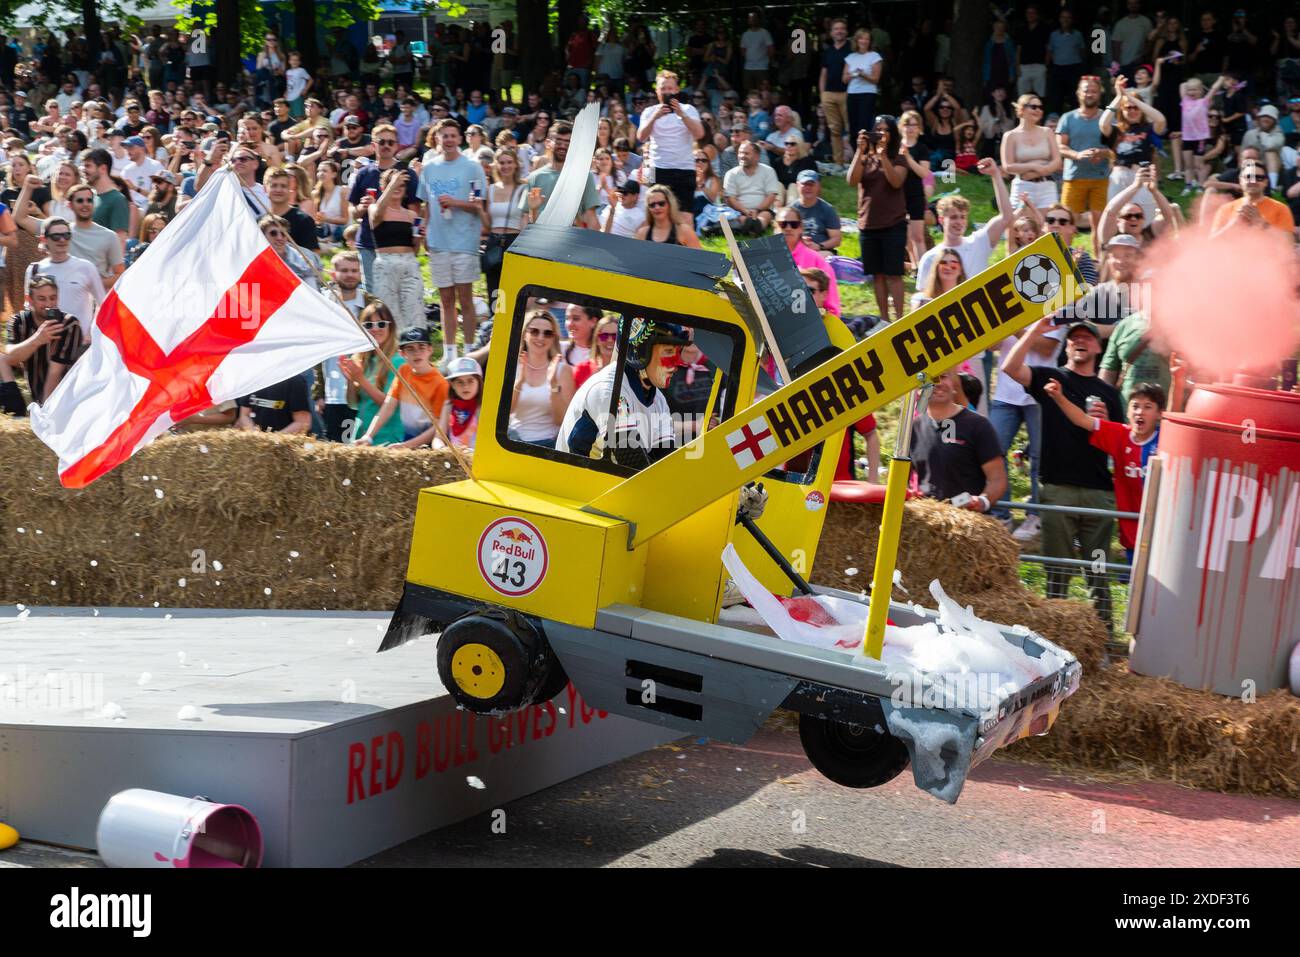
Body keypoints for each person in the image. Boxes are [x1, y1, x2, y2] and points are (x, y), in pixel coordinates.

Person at [1001, 318, 1125, 628]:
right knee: (1057, 570)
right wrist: (1033, 331)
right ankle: (1054, 636)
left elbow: (1122, 444)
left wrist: (1106, 421)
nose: (1079, 341)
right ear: (1066, 345)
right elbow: (1010, 368)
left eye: (1087, 337)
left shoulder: (1109, 393)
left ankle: (1105, 638)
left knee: (1097, 570)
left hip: (1098, 491)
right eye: (1073, 338)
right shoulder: (1050, 378)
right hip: (1057, 488)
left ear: (1098, 347)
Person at [1043, 378, 1164, 563]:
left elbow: (1176, 416)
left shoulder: (1166, 439)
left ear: (1159, 414)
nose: (1140, 412)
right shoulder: (1120, 434)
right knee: (1135, 583)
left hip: (1161, 527)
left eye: (1148, 407)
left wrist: (1178, 381)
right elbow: (1081, 419)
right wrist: (1059, 396)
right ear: (1128, 411)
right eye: (1135, 406)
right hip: (1132, 529)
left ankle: (1101, 589)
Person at [557, 317, 686, 467]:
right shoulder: (609, 389)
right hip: (575, 484)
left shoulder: (659, 400)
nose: (677, 363)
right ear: (641, 351)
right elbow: (631, 462)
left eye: (679, 351)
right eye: (669, 351)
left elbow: (665, 461)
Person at [419, 118, 487, 362]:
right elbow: (425, 207)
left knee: (465, 299)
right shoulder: (429, 168)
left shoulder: (472, 167)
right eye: (443, 136)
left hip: (464, 242)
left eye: (452, 135)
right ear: (437, 139)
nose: (448, 140)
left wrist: (456, 202)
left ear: (459, 139)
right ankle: (449, 353)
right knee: (446, 299)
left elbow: (478, 205)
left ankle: (469, 351)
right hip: (438, 243)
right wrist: (424, 229)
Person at [909, 368, 1007, 513]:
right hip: (927, 522)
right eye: (932, 379)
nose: (939, 383)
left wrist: (983, 501)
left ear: (954, 385)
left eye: (944, 377)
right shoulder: (912, 429)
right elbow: (900, 481)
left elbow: (997, 479)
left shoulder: (978, 424)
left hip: (969, 520)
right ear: (918, 389)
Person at [14, 181, 125, 292]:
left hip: (94, 302)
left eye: (89, 200)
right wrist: (28, 187)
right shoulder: (58, 231)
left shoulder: (109, 236)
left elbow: (120, 274)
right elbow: (20, 218)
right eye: (80, 201)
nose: (85, 204)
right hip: (59, 299)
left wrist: (92, 284)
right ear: (70, 205)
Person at [916, 160, 1013, 289]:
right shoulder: (930, 257)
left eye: (963, 217)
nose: (959, 222)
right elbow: (923, 297)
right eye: (954, 217)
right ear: (941, 220)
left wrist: (995, 174)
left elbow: (1006, 217)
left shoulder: (978, 243)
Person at [848, 118, 908, 323]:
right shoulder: (865, 158)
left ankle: (900, 319)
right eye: (878, 130)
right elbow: (851, 180)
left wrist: (883, 156)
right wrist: (859, 150)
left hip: (893, 223)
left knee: (894, 274)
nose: (881, 134)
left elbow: (896, 181)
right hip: (868, 224)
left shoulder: (899, 157)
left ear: (893, 134)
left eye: (885, 130)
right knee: (878, 275)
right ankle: (884, 320)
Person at [356, 326, 449, 449]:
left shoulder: (440, 384)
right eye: (410, 349)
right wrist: (368, 436)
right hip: (406, 439)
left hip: (429, 445)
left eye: (421, 347)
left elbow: (438, 428)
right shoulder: (403, 371)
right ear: (402, 353)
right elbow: (388, 407)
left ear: (430, 350)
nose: (417, 353)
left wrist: (406, 446)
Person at [2, 274, 85, 408]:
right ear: (29, 300)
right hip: (35, 391)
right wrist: (37, 339)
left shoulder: (69, 324)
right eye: (41, 299)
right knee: (1, 359)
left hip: (65, 397)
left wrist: (44, 410)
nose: (48, 304)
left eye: (53, 298)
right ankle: (15, 409)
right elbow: (10, 357)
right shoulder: (19, 321)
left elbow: (55, 372)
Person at [634, 70, 704, 216]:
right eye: (663, 88)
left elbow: (699, 134)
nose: (667, 92)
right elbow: (641, 137)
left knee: (685, 217)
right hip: (657, 168)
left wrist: (682, 115)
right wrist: (655, 116)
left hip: (685, 168)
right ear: (657, 91)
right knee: (657, 216)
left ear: (677, 90)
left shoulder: (688, 109)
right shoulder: (649, 111)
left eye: (670, 88)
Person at [1058, 75, 1112, 258]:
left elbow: (1114, 148)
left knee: (1100, 225)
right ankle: (1061, 262)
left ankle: (1099, 264)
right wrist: (1077, 155)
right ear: (1078, 93)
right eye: (1086, 90)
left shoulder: (1106, 118)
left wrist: (1102, 153)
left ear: (1099, 94)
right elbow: (1060, 146)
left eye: (1094, 91)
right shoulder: (1068, 118)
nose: (1090, 93)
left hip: (1101, 178)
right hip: (1074, 177)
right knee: (1065, 223)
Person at [22, 218, 104, 336]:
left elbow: (103, 304)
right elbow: (28, 307)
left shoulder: (86, 267)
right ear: (44, 239)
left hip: (79, 342)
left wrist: (91, 332)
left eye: (66, 235)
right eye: (56, 236)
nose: (62, 240)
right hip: (47, 342)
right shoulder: (34, 269)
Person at [368, 165, 424, 335]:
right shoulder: (374, 208)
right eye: (393, 185)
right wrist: (393, 182)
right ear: (384, 187)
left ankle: (415, 343)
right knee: (389, 312)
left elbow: (415, 249)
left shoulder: (412, 215)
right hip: (385, 263)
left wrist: (419, 238)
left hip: (408, 263)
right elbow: (377, 215)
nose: (397, 189)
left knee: (413, 308)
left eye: (401, 185)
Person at [520, 120, 601, 229]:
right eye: (558, 141)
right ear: (548, 143)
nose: (563, 146)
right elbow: (526, 219)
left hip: (572, 241)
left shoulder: (585, 177)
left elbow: (591, 218)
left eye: (568, 142)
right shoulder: (535, 177)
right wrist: (533, 210)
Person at [509, 309, 571, 448]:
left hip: (549, 444)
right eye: (534, 331)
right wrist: (520, 382)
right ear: (525, 334)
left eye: (547, 333)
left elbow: (562, 420)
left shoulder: (563, 370)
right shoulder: (512, 367)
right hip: (513, 441)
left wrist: (553, 384)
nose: (541, 337)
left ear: (554, 338)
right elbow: (506, 411)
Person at [774, 207, 839, 316]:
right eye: (783, 224)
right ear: (776, 227)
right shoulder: (765, 258)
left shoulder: (816, 260)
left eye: (794, 224)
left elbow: (832, 307)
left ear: (800, 228)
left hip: (810, 321)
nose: (788, 228)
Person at [1002, 93, 1061, 210]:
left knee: (1048, 226)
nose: (1038, 110)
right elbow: (1008, 166)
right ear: (1022, 109)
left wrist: (1039, 172)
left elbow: (1057, 161)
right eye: (1034, 107)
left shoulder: (1047, 132)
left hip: (1047, 187)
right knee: (1020, 224)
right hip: (1023, 187)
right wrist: (1033, 165)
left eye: (1040, 107)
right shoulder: (1010, 136)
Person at [1211, 158, 1295, 235]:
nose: (1252, 181)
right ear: (1240, 181)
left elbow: (1288, 244)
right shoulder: (1226, 209)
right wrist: (1234, 224)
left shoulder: (1281, 209)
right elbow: (1211, 245)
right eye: (1248, 177)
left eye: (1258, 178)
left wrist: (1262, 223)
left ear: (1266, 182)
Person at [723, 140, 780, 236]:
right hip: (739, 211)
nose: (742, 156)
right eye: (740, 153)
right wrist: (745, 211)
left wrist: (757, 210)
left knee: (765, 216)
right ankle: (750, 226)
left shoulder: (768, 171)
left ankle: (755, 226)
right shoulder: (731, 174)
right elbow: (730, 198)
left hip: (762, 210)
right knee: (741, 217)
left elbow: (771, 195)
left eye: (746, 153)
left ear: (757, 157)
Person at [819, 19, 851, 167]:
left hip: (847, 94)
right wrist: (822, 95)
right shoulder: (828, 51)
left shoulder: (852, 49)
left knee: (852, 129)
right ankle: (839, 163)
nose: (839, 31)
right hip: (829, 95)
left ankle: (858, 161)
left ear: (846, 32)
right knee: (834, 130)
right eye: (836, 29)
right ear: (831, 33)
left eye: (842, 28)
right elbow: (823, 74)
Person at [236, 374, 311, 434]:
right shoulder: (253, 378)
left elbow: (303, 423)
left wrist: (273, 440)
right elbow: (244, 415)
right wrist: (254, 434)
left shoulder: (294, 380)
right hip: (258, 444)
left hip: (285, 446)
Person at [436, 355, 482, 450]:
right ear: (452, 385)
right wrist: (442, 449)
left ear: (479, 382)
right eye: (459, 382)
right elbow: (438, 438)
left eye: (470, 381)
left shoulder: (482, 406)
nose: (465, 387)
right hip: (455, 460)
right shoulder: (448, 405)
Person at [790, 170, 841, 253]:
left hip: (821, 250)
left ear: (818, 186)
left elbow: (836, 239)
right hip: (797, 249)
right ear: (797, 185)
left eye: (811, 184)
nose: (808, 188)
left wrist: (819, 246)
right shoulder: (791, 210)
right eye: (804, 184)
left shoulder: (827, 209)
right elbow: (782, 235)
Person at [572, 314, 618, 389]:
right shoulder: (582, 370)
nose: (609, 340)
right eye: (604, 336)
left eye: (615, 336)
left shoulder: (629, 372)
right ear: (597, 340)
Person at [739, 12, 775, 93]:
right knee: (749, 91)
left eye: (754, 18)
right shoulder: (745, 34)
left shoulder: (764, 33)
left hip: (762, 67)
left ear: (758, 20)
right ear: (748, 20)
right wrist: (750, 57)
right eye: (750, 18)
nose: (753, 20)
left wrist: (766, 60)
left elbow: (771, 49)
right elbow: (742, 50)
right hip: (748, 67)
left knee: (764, 91)